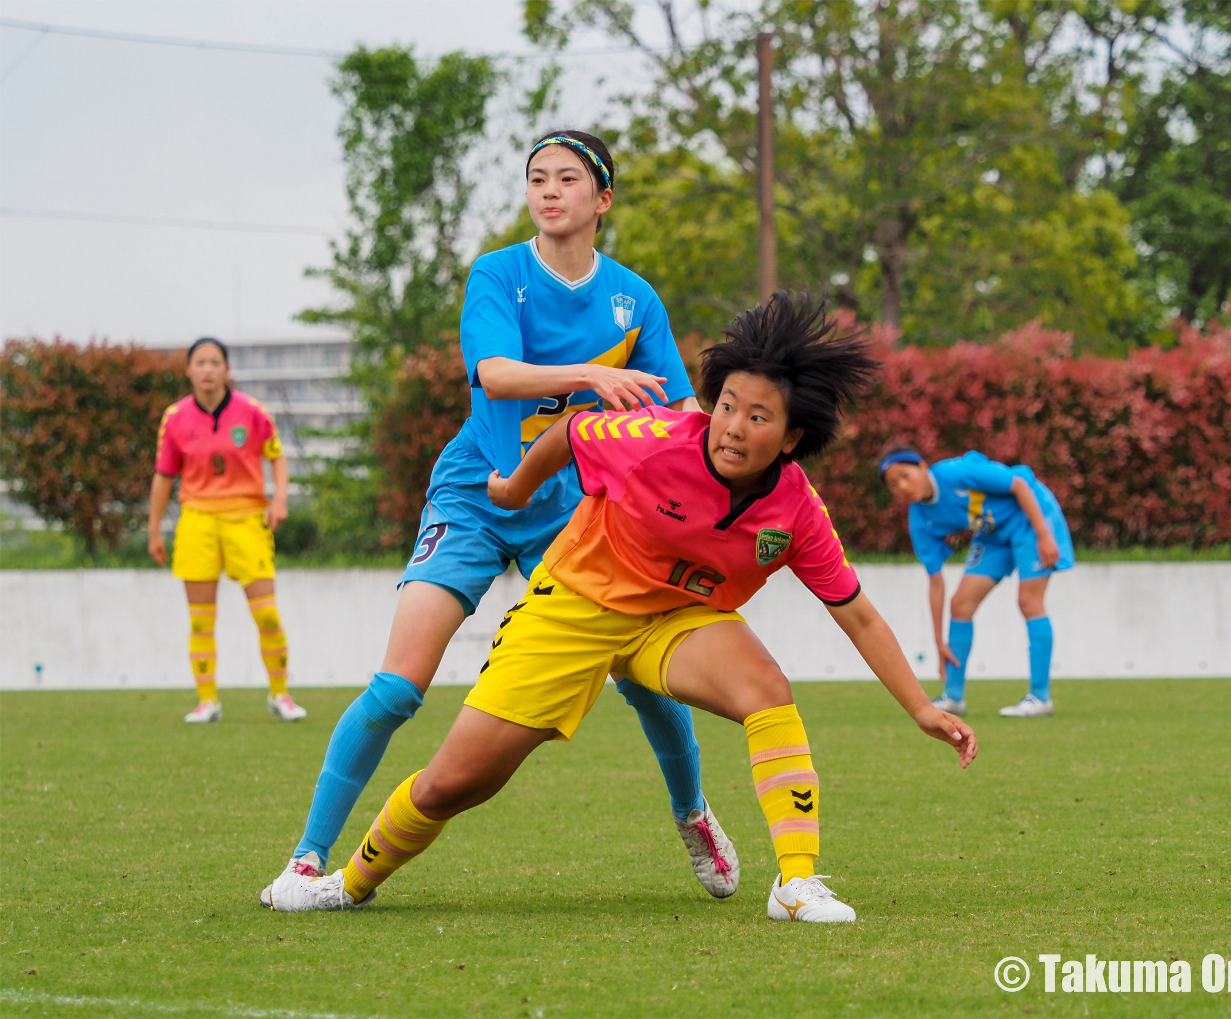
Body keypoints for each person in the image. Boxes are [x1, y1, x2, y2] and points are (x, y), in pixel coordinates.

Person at [261, 293, 978, 923]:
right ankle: (347, 884)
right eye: (726, 404)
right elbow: (571, 433)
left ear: (791, 438)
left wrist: (920, 707)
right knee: (456, 781)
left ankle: (796, 882)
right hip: (573, 607)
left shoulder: (795, 509)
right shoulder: (655, 442)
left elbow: (855, 611)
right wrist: (510, 490)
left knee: (767, 687)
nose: (732, 426)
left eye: (758, 416)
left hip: (675, 621)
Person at [261, 130, 739, 903]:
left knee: (642, 674)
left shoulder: (633, 297)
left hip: (575, 509)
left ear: (602, 199)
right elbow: (495, 374)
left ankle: (693, 814)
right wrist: (590, 373)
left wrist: (731, 458)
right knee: (397, 687)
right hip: (475, 495)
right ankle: (309, 857)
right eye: (537, 178)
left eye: (568, 179)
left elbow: (680, 408)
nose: (550, 190)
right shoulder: (499, 274)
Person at [148, 337, 307, 724]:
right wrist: (154, 529)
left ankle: (280, 694)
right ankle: (207, 701)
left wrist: (280, 499)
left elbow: (278, 458)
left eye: (214, 362)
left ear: (227, 369)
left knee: (267, 615)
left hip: (247, 518)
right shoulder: (174, 418)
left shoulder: (252, 412)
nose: (207, 370)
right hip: (197, 520)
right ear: (188, 370)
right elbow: (164, 476)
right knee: (201, 618)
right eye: (199, 362)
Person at [878, 447, 1075, 717]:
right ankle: (954, 697)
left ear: (923, 467)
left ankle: (1040, 698)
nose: (902, 486)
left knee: (1029, 602)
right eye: (893, 484)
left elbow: (1018, 485)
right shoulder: (920, 520)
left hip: (1030, 518)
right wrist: (938, 642)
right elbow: (935, 582)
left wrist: (1044, 535)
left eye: (905, 475)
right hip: (992, 533)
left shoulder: (955, 472)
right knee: (960, 605)